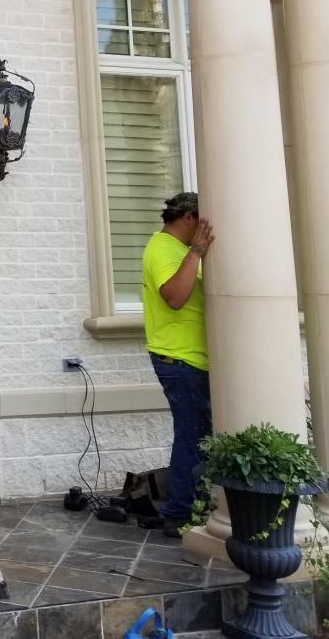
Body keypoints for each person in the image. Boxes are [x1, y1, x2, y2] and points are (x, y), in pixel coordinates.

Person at [142, 190, 215, 537]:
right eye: (201, 221)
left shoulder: (178, 251)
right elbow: (173, 297)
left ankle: (191, 507)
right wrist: (197, 252)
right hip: (180, 359)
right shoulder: (164, 249)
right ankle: (181, 513)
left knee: (198, 436)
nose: (204, 230)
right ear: (188, 217)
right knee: (193, 437)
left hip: (191, 359)